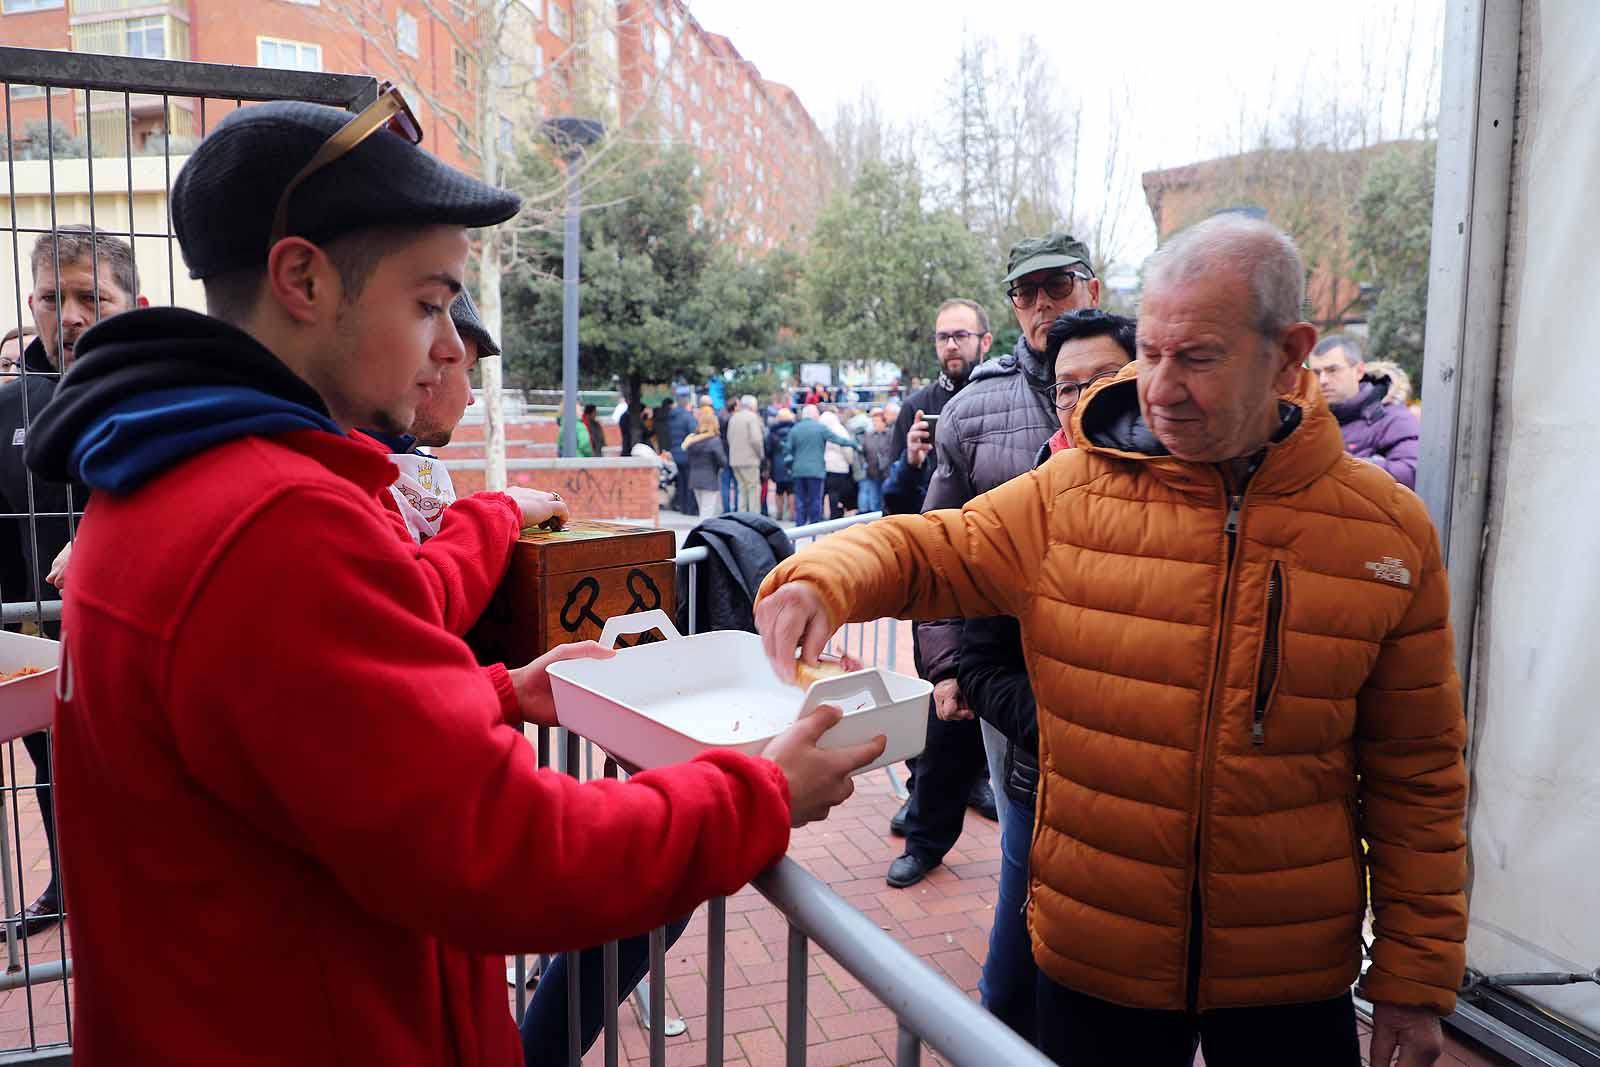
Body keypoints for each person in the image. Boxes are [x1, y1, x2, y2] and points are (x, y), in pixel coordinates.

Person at [23, 97, 884, 1064]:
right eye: (428, 301)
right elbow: (503, 851)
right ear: (302, 278)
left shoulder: (165, 472)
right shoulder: (276, 519)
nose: (448, 344)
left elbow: (283, 741)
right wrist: (759, 792)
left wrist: (493, 691)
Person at [755, 214, 1468, 1067]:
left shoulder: (1385, 531)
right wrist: (823, 576)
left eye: (1196, 357)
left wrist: (1414, 978)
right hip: (1098, 955)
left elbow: (1418, 775)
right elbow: (934, 544)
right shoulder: (1071, 491)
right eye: (1153, 353)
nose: (1160, 387)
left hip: (1291, 969)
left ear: (1290, 353)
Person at [959, 308, 1136, 1046]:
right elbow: (978, 657)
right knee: (1010, 982)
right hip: (1042, 773)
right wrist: (1061, 726)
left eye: (1103, 380)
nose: (1083, 400)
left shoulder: (1199, 499)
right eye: (1066, 389)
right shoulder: (1029, 500)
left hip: (1146, 815)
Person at [916, 232, 1102, 881]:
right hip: (1006, 671)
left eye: (1058, 285)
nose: (1043, 302)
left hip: (1118, 666)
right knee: (1023, 852)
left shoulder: (1147, 381)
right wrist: (944, 668)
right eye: (1026, 291)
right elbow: (941, 544)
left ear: (1091, 288)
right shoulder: (971, 408)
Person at [0, 225, 147, 943]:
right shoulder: (8, 406)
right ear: (33, 303)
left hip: (143, 634)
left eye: (95, 296)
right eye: (56, 298)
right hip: (42, 634)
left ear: (135, 303)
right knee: (53, 769)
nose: (75, 315)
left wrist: (102, 531)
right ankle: (67, 885)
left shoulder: (165, 395)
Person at [882, 297, 999, 890]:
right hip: (933, 579)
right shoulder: (917, 408)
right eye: (941, 337)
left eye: (961, 335)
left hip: (991, 576)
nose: (950, 345)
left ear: (984, 338)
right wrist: (909, 464)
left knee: (982, 701)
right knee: (940, 696)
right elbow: (892, 501)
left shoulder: (1002, 397)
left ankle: (976, 782)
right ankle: (925, 813)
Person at [1306, 334, 1421, 490]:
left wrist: (1344, 468)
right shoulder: (1304, 421)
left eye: (1332, 370)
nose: (1323, 381)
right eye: (1317, 373)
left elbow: (1412, 474)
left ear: (1359, 371)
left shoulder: (1394, 418)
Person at [782, 403, 856, 526]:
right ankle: (814, 526)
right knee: (815, 499)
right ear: (814, 415)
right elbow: (837, 440)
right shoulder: (820, 428)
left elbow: (787, 450)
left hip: (798, 470)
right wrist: (853, 444)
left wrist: (791, 463)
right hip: (816, 470)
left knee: (800, 500)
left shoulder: (795, 429)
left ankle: (799, 526)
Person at [682, 410, 729, 520]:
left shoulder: (692, 440)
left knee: (702, 510)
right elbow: (722, 461)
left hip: (694, 479)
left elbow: (688, 459)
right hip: (710, 480)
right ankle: (701, 536)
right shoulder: (714, 441)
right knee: (707, 513)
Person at [727, 393, 765, 513]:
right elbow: (756, 439)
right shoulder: (752, 417)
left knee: (741, 490)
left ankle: (741, 517)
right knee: (753, 490)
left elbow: (729, 438)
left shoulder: (733, 418)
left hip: (735, 460)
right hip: (750, 459)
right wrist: (760, 455)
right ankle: (754, 519)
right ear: (752, 406)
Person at [819, 408, 855, 519]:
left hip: (823, 466)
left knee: (821, 495)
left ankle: (819, 517)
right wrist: (850, 461)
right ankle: (834, 518)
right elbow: (847, 448)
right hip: (839, 467)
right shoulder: (840, 429)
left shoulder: (820, 429)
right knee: (835, 495)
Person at [858, 408, 894, 514]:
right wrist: (864, 464)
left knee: (886, 498)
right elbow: (862, 452)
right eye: (874, 422)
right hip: (872, 472)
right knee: (874, 499)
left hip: (887, 473)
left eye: (877, 421)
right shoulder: (868, 436)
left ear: (884, 422)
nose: (875, 424)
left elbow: (893, 451)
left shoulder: (890, 435)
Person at [663, 394, 695, 513]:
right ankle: (689, 508)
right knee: (689, 483)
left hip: (676, 453)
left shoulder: (672, 417)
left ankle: (682, 506)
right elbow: (693, 435)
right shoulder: (688, 417)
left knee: (681, 482)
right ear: (687, 405)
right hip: (687, 454)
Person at [766, 408, 796, 522]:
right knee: (792, 490)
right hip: (791, 462)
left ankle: (779, 513)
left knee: (779, 489)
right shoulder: (794, 429)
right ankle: (792, 514)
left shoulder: (773, 431)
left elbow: (768, 449)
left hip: (777, 462)